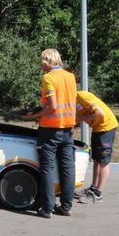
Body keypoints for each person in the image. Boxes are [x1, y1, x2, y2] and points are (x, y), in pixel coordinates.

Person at [23, 49, 77, 218]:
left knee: (47, 168)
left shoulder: (48, 77)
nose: (41, 65)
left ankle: (47, 208)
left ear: (47, 61)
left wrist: (34, 115)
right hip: (68, 128)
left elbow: (52, 106)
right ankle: (66, 206)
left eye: (42, 61)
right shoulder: (70, 76)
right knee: (67, 167)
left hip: (50, 129)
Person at [74, 90, 118, 203]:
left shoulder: (82, 96)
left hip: (106, 127)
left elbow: (99, 113)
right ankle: (93, 188)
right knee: (96, 160)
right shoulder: (72, 101)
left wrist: (80, 119)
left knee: (103, 161)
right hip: (97, 128)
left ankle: (98, 194)